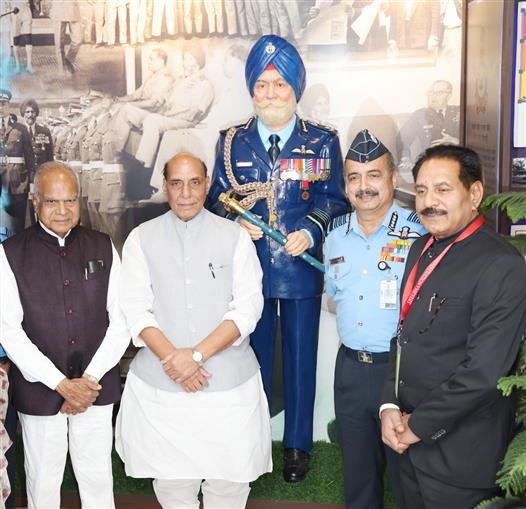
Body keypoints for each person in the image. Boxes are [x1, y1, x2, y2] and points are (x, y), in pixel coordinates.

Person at [207, 34, 348, 483]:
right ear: (251, 89)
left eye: (280, 85)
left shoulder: (322, 141)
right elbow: (214, 201)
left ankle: (297, 446)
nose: (271, 94)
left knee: (301, 359)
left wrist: (310, 230)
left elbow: (336, 199)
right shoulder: (230, 142)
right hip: (248, 273)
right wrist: (235, 224)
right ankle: (253, 441)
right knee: (251, 361)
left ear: (295, 89)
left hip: (300, 272)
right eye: (262, 85)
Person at [116, 152, 272, 509]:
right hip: (163, 384)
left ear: (206, 186)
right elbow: (136, 310)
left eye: (194, 182)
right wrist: (176, 361)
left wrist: (196, 356)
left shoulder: (235, 238)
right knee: (172, 484)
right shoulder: (141, 239)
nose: (186, 193)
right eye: (176, 183)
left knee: (228, 485)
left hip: (228, 386)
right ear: (165, 187)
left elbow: (248, 308)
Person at [380, 145, 526, 509]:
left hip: (460, 459)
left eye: (443, 190)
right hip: (407, 448)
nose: (430, 202)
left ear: (473, 194)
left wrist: (418, 426)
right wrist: (388, 406)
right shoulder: (419, 248)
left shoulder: (502, 265)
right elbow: (404, 336)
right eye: (423, 191)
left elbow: (485, 372)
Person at [0, 161, 130, 509]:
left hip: (95, 389)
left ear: (79, 200)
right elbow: (9, 332)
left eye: (70, 201)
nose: (62, 210)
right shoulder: (9, 254)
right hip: (40, 391)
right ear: (34, 200)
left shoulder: (102, 246)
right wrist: (60, 384)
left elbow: (122, 322)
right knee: (43, 483)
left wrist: (86, 382)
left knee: (97, 479)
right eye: (52, 202)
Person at [326, 129, 425, 509]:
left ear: (393, 179)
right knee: (359, 478)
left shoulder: (418, 232)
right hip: (350, 369)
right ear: (345, 184)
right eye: (354, 177)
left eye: (373, 175)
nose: (363, 186)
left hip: (403, 372)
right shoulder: (335, 236)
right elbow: (334, 297)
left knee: (409, 478)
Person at [396, 80, 460, 180]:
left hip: (458, 165)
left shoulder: (459, 112)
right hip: (431, 166)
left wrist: (455, 141)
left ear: (449, 96)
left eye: (439, 93)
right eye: (431, 92)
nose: (433, 96)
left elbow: (476, 139)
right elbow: (402, 138)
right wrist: (405, 159)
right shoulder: (420, 115)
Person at [0, 88, 35, 233]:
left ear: (8, 105)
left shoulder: (20, 129)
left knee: (18, 224)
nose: (0, 107)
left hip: (17, 182)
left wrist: (32, 184)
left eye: (3, 104)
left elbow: (30, 158)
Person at [49, 0, 83, 74]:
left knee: (78, 39)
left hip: (73, 9)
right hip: (58, 8)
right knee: (59, 42)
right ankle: (62, 69)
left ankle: (68, 60)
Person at [20, 98, 54, 168]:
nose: (30, 114)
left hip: (41, 173)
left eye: (33, 112)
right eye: (27, 112)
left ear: (36, 113)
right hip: (24, 174)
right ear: (23, 114)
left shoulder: (45, 131)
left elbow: (50, 156)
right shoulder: (18, 131)